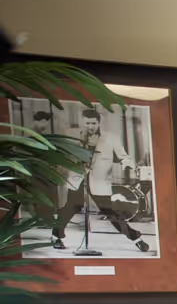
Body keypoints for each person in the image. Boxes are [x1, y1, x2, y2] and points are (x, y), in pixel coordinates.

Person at [46, 106, 149, 253]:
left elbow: (124, 157)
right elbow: (62, 154)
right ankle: (56, 236)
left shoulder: (111, 138)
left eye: (93, 123)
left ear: (99, 123)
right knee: (71, 207)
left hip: (99, 181)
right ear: (83, 123)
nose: (90, 127)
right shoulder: (72, 136)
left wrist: (129, 166)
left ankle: (136, 239)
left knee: (110, 213)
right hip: (78, 178)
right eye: (87, 123)